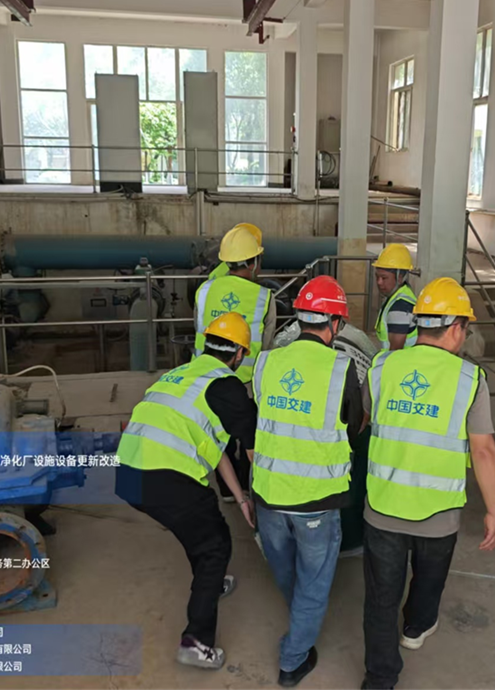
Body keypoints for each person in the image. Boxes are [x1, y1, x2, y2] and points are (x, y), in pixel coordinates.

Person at [361, 277, 495, 690]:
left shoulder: (382, 366)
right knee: (428, 578)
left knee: (380, 597)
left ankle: (380, 679)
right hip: (438, 515)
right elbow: (484, 451)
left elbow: (369, 414)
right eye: (466, 329)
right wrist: (493, 511)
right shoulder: (470, 379)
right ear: (456, 327)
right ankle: (416, 627)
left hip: (383, 506)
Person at [115, 313, 258, 671]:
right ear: (240, 354)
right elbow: (253, 454)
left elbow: (216, 448)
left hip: (127, 473)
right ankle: (196, 642)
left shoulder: (179, 374)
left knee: (201, 531)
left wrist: (240, 498)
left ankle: (211, 582)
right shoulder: (228, 388)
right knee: (215, 546)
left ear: (205, 345)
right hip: (165, 478)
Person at [247, 276, 367, 687]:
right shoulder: (341, 368)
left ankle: (300, 622)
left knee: (287, 572)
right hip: (316, 500)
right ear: (335, 323)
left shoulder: (266, 362)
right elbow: (353, 427)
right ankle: (293, 659)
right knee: (314, 584)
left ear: (299, 319)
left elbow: (262, 416)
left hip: (268, 495)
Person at [194, 224, 274, 502]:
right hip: (246, 382)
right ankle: (245, 485)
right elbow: (267, 345)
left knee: (218, 432)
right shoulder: (264, 298)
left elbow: (199, 327)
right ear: (253, 263)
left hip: (206, 377)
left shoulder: (204, 290)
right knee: (248, 435)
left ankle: (227, 490)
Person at [372, 244, 417, 350]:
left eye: (384, 278)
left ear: (399, 278)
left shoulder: (400, 307)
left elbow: (395, 351)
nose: (379, 282)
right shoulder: (397, 297)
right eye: (377, 277)